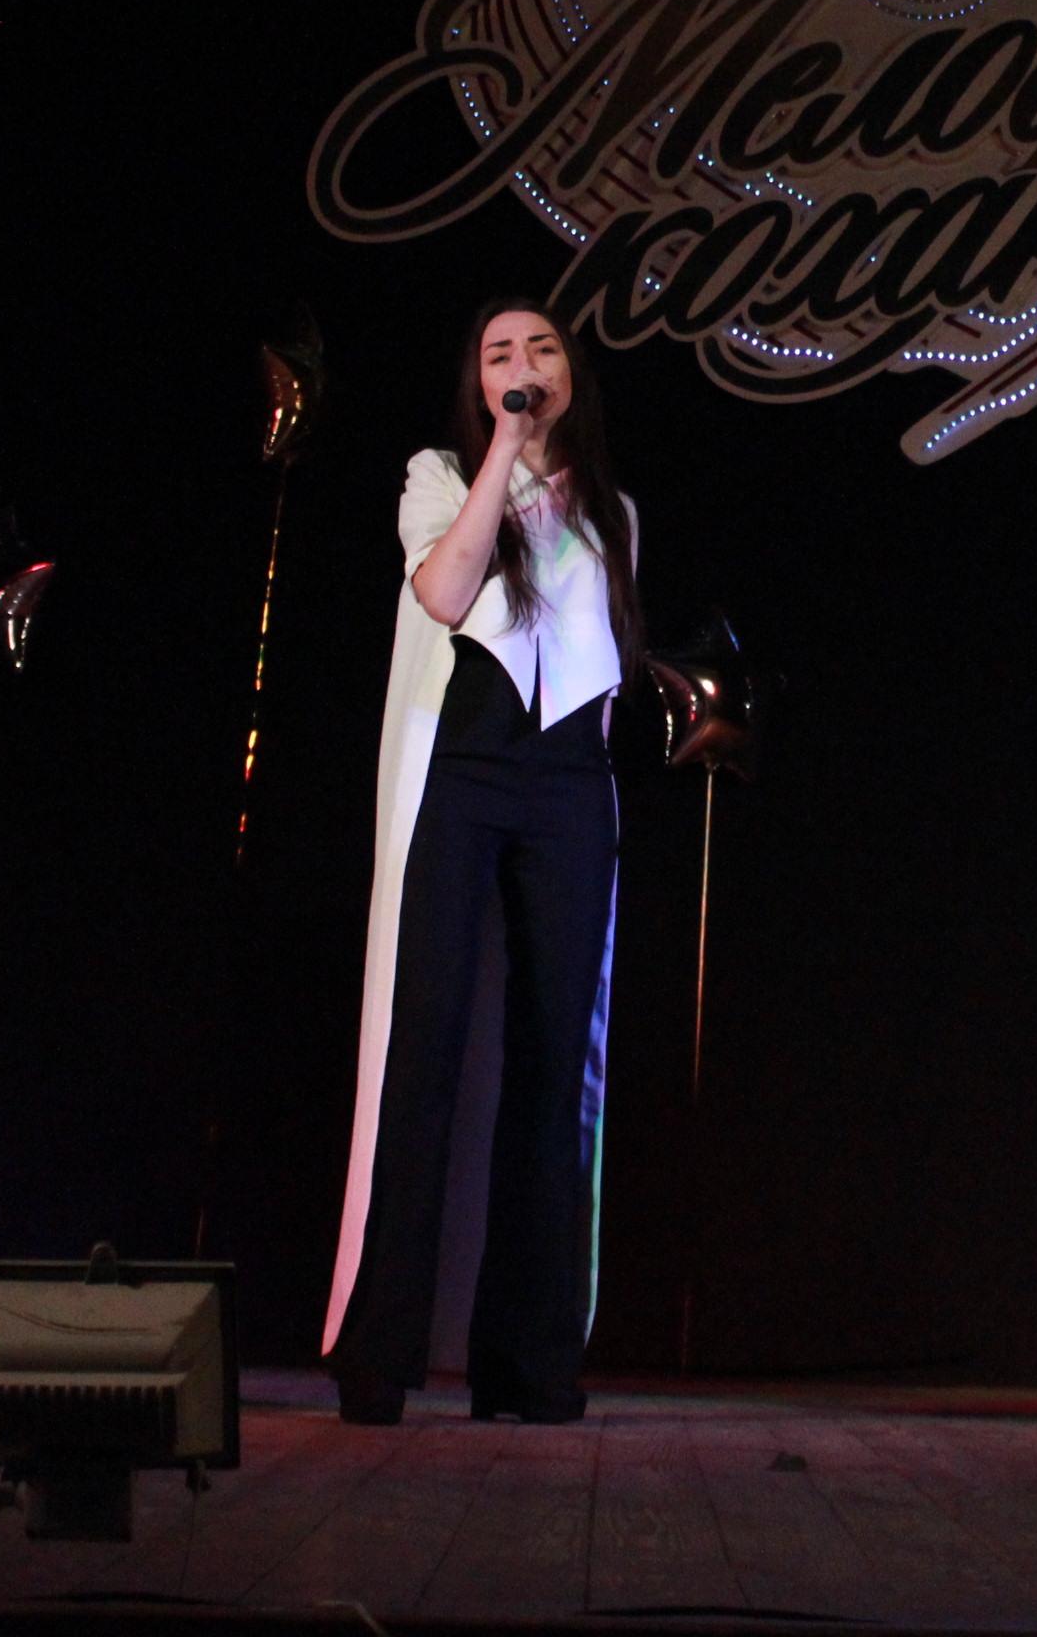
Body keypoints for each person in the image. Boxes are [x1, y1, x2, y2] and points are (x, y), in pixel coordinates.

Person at [324, 301, 640, 1427]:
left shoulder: (612, 510)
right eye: (501, 353)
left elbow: (603, 655)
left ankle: (528, 1361)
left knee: (555, 1065)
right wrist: (504, 451)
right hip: (464, 768)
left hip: (569, 783)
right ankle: (381, 1353)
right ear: (479, 381)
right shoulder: (440, 477)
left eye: (542, 349)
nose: (523, 365)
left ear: (572, 374)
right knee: (426, 1047)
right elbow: (447, 593)